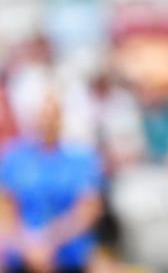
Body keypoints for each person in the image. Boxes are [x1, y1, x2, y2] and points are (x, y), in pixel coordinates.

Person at [0, 89, 103, 273]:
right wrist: (27, 246)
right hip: (22, 256)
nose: (47, 122)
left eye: (52, 115)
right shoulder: (14, 157)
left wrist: (49, 242)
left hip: (69, 254)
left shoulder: (81, 157)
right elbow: (5, 211)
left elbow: (88, 210)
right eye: (42, 115)